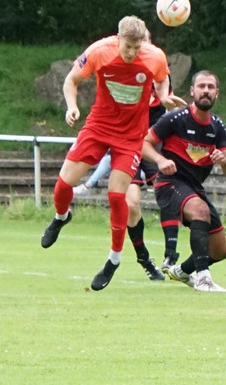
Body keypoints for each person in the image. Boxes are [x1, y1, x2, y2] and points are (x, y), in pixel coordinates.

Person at [40, 15, 185, 290]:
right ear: (118, 39)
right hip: (98, 126)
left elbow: (162, 80)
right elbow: (71, 81)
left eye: (136, 47)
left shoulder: (154, 56)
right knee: (63, 184)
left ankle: (114, 260)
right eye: (127, 47)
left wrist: (163, 95)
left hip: (131, 136)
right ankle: (61, 217)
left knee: (117, 196)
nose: (131, 53)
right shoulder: (98, 52)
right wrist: (71, 106)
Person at [144, 70, 226, 293]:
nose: (206, 91)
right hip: (169, 183)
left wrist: (223, 161)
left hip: (194, 189)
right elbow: (144, 143)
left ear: (217, 94)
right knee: (201, 212)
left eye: (211, 87)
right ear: (193, 91)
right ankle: (203, 279)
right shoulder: (175, 118)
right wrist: (160, 160)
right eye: (202, 86)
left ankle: (183, 271)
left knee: (220, 250)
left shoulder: (218, 127)